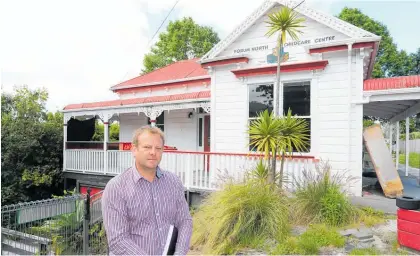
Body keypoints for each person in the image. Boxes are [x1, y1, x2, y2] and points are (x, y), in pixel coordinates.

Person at [102, 125, 193, 255]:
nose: (153, 152)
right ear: (134, 150)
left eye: (158, 148)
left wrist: (179, 253)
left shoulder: (174, 182)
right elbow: (118, 241)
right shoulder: (116, 188)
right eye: (147, 147)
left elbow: (184, 221)